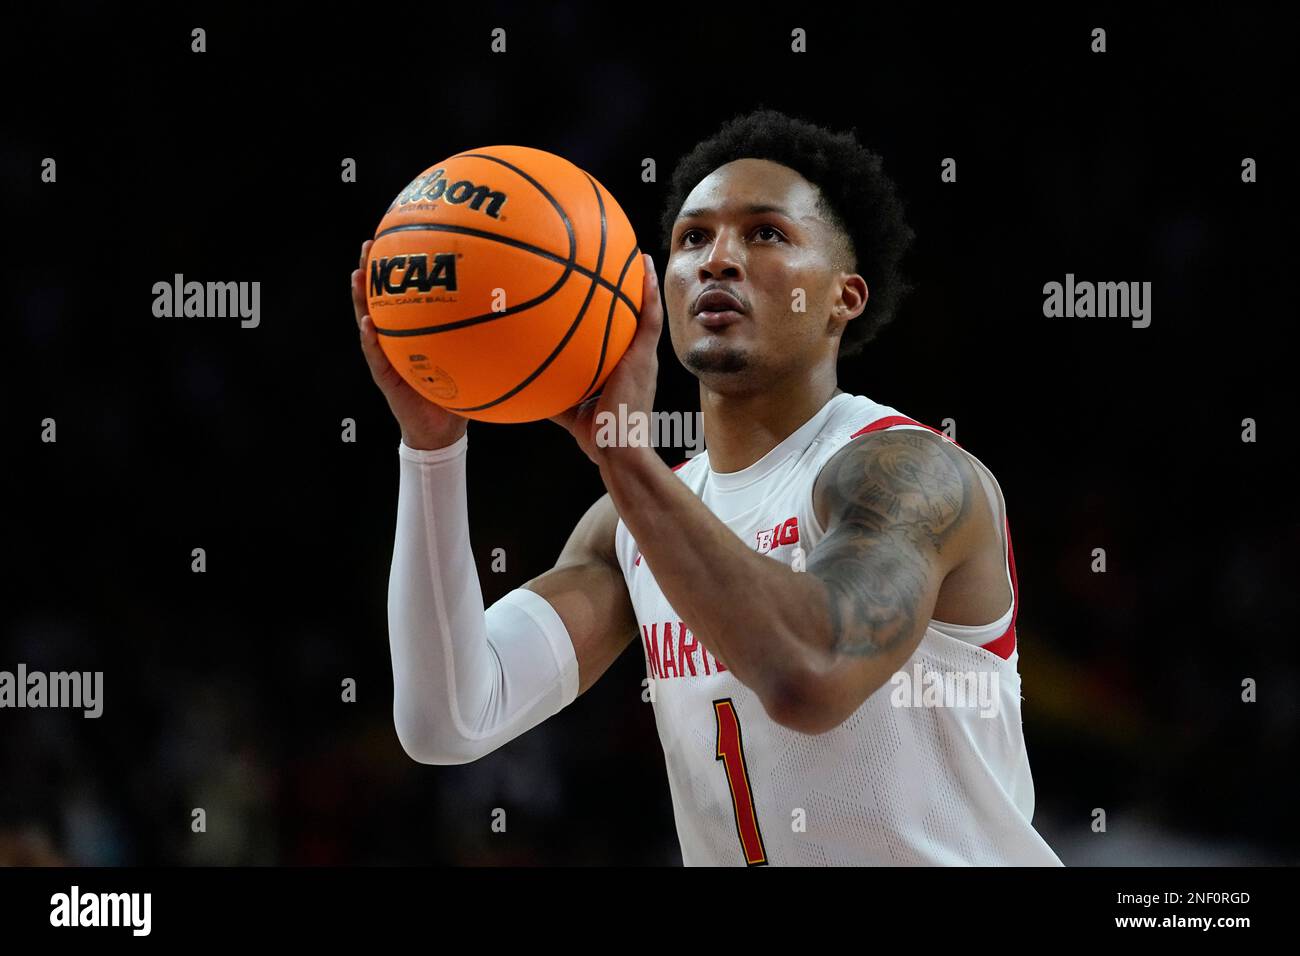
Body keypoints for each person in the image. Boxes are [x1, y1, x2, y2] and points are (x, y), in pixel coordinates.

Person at [353, 108, 1062, 866]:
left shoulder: (907, 471)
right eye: (692, 238)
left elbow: (810, 676)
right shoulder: (627, 526)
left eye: (766, 233)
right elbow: (451, 720)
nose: (718, 259)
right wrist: (432, 450)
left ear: (843, 296)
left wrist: (627, 461)